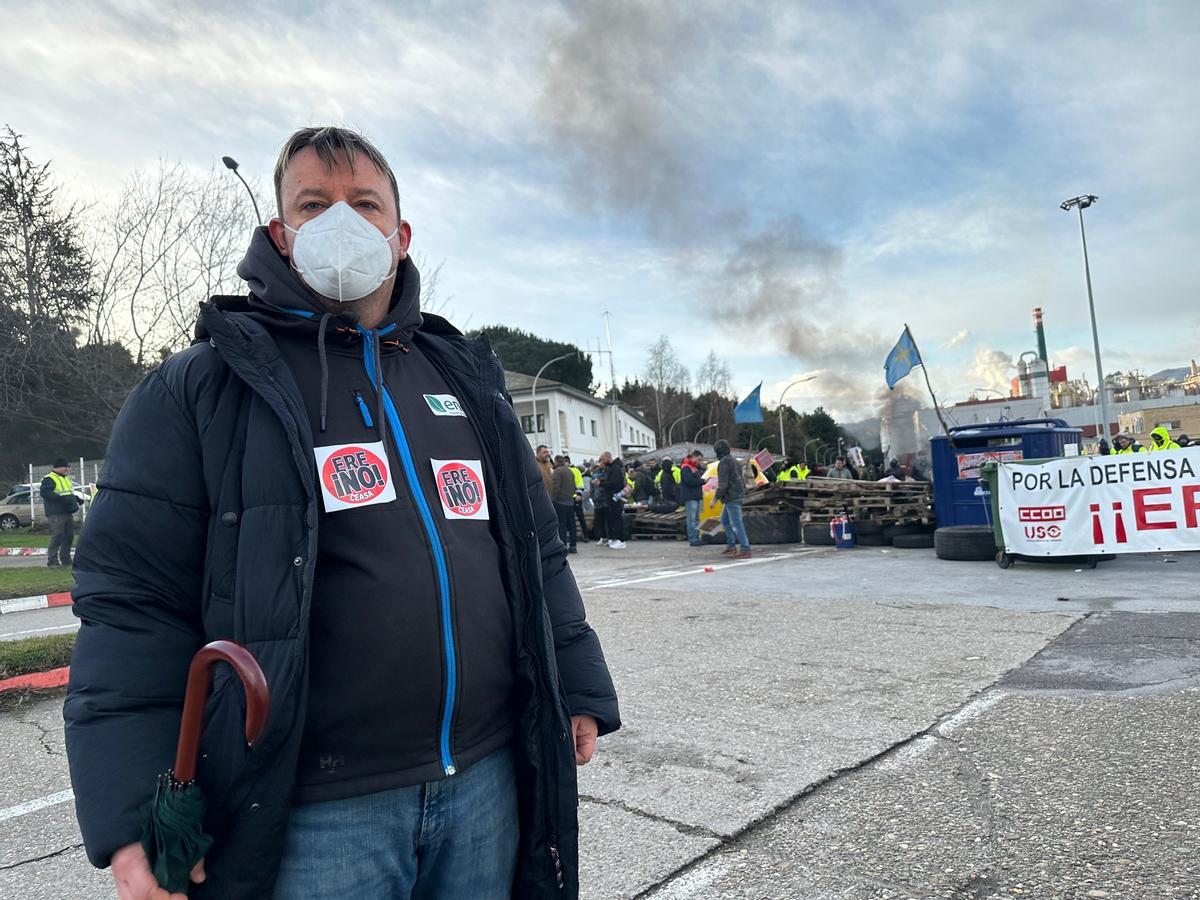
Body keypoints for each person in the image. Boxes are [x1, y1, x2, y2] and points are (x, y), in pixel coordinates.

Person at [64, 126, 619, 900]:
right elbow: (131, 606)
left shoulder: (462, 376)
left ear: (401, 233)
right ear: (281, 234)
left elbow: (534, 551)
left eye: (364, 203)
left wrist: (579, 685)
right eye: (314, 203)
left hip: (487, 781)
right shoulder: (204, 387)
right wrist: (133, 814)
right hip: (314, 815)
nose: (342, 222)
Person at [713, 439, 750, 559]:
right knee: (725, 520)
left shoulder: (724, 462)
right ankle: (731, 545)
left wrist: (715, 499)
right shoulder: (734, 460)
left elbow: (723, 484)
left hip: (731, 496)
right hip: (737, 494)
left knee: (736, 523)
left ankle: (745, 548)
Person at [41, 457, 79, 568]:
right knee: (57, 536)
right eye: (65, 467)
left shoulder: (65, 478)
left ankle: (66, 559)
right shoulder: (49, 478)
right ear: (57, 467)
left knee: (68, 536)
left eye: (68, 467)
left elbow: (67, 493)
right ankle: (52, 561)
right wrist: (61, 499)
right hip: (56, 513)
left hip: (67, 512)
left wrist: (76, 498)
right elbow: (45, 493)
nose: (67, 469)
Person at [599, 450, 627, 548]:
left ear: (607, 458)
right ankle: (616, 538)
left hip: (615, 496)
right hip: (613, 496)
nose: (601, 462)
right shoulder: (612, 467)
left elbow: (616, 483)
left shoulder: (615, 468)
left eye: (602, 459)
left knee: (617, 517)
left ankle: (621, 539)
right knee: (614, 518)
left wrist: (601, 484)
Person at [551, 455, 578, 553]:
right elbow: (574, 486)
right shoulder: (569, 471)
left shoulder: (557, 472)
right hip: (570, 501)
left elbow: (556, 487)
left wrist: (552, 500)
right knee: (571, 525)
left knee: (561, 525)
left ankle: (563, 546)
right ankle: (573, 545)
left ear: (556, 462)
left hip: (560, 501)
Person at [678, 450, 706, 546]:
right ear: (694, 457)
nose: (700, 462)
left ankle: (696, 537)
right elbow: (689, 481)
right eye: (699, 459)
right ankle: (693, 538)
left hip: (695, 496)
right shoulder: (686, 467)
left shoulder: (693, 467)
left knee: (696, 519)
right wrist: (702, 481)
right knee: (692, 519)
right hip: (691, 496)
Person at [565, 455, 589, 538]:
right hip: (568, 498)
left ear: (568, 462)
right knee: (571, 520)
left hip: (575, 497)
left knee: (580, 517)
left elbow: (579, 483)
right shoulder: (565, 470)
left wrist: (579, 494)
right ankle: (574, 536)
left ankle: (586, 535)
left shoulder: (575, 470)